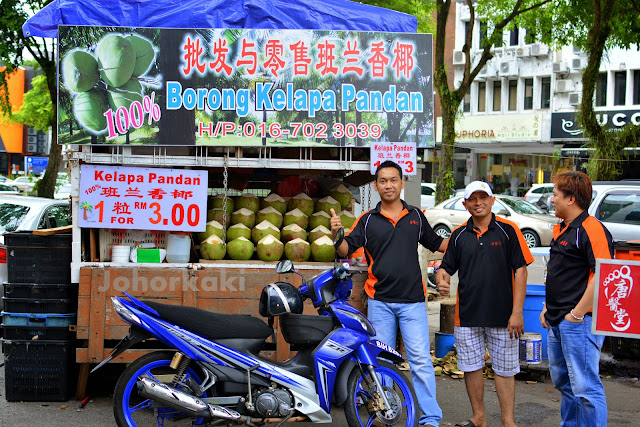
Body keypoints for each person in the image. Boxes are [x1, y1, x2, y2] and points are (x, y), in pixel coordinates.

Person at [330, 160, 447, 427]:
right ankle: (386, 412)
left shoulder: (415, 216)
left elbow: (436, 243)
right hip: (380, 300)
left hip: (413, 302)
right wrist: (337, 233)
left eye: (393, 180)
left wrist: (463, 239)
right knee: (381, 361)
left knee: (419, 360)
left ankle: (431, 418)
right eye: (383, 181)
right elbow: (346, 250)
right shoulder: (368, 220)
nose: (389, 185)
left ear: (402, 182)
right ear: (376, 185)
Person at [436, 180, 533, 427]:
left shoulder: (509, 230)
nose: (478, 203)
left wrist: (518, 312)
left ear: (492, 200)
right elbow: (445, 267)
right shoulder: (458, 235)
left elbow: (521, 270)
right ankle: (479, 418)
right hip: (467, 315)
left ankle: (507, 421)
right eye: (473, 199)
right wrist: (442, 279)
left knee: (505, 369)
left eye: (483, 198)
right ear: (465, 204)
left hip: (504, 316)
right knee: (471, 367)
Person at [539, 171, 613, 426]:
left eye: (556, 195)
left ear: (571, 199)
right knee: (566, 385)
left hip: (578, 322)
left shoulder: (591, 229)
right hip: (559, 320)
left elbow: (603, 276)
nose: (552, 200)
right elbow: (558, 272)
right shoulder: (563, 229)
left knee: (586, 388)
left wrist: (576, 314)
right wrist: (547, 308)